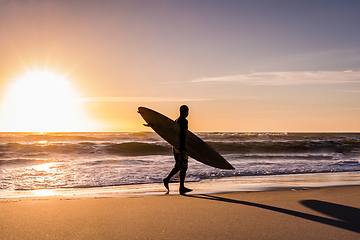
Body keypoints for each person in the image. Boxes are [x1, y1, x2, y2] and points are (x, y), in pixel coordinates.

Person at [163, 105, 192, 195]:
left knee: (178, 166)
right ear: (186, 112)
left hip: (175, 146)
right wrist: (183, 147)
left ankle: (167, 179)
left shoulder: (176, 120)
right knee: (183, 167)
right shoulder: (184, 121)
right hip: (180, 147)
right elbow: (182, 135)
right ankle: (181, 188)